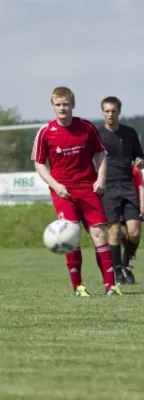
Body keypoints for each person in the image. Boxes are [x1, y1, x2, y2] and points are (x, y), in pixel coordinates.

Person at [31, 86, 121, 296]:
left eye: (66, 104)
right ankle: (78, 287)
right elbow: (39, 164)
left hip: (89, 190)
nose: (62, 108)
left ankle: (111, 286)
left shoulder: (87, 127)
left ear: (73, 105)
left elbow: (101, 154)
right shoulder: (46, 132)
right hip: (63, 193)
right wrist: (56, 185)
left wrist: (101, 178)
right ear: (52, 106)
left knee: (100, 235)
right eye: (58, 105)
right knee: (71, 236)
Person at [98, 96, 144, 285]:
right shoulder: (97, 135)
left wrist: (140, 161)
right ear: (103, 112)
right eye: (107, 111)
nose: (110, 114)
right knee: (115, 232)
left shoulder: (130, 133)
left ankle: (125, 264)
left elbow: (139, 156)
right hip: (108, 187)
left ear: (119, 112)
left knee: (135, 232)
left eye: (113, 111)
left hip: (127, 185)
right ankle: (116, 271)